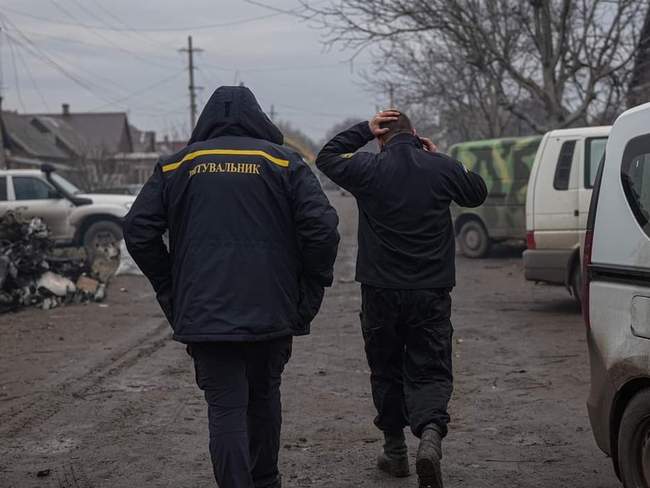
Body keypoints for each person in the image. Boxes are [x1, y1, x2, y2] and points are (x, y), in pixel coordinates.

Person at [123, 86, 340, 488]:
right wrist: (310, 286)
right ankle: (266, 480)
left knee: (224, 408)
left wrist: (171, 286)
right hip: (272, 309)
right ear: (258, 118)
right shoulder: (284, 162)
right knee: (263, 398)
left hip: (204, 311)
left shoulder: (175, 166)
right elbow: (323, 230)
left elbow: (137, 231)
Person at [316, 110, 487, 488]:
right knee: (430, 366)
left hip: (380, 291)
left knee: (386, 367)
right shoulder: (439, 167)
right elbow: (477, 192)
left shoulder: (367, 168)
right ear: (418, 135)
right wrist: (439, 157)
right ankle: (429, 435)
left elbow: (325, 157)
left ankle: (395, 452)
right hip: (431, 291)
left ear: (381, 137)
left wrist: (362, 129)